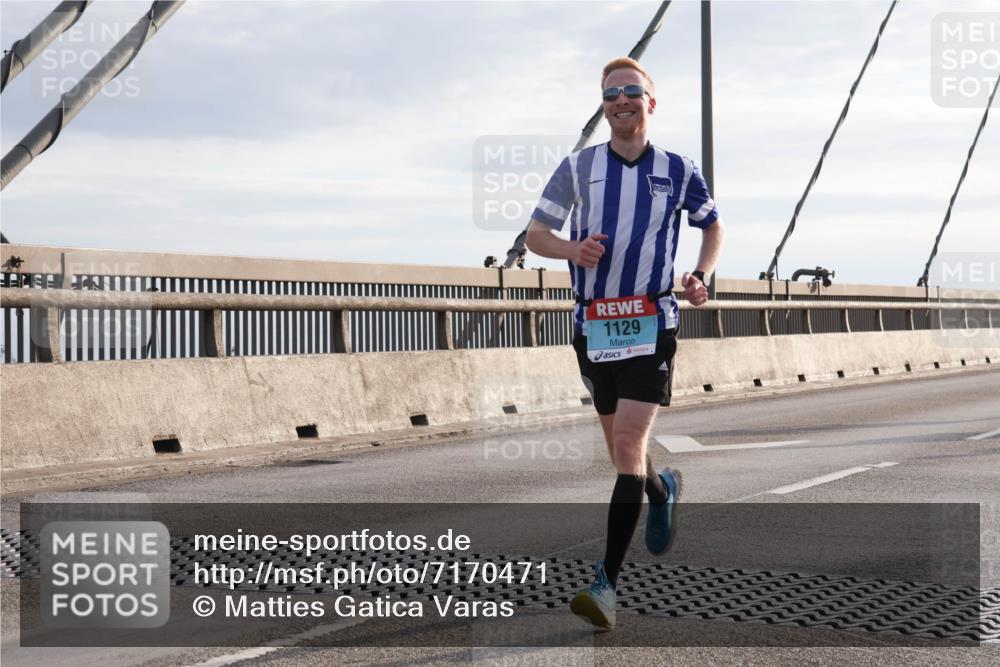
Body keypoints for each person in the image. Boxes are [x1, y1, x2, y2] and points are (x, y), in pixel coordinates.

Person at [525, 56, 725, 630]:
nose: (621, 102)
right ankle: (662, 491)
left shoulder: (678, 168)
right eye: (611, 94)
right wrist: (572, 250)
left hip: (652, 322)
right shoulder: (577, 167)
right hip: (593, 326)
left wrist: (700, 275)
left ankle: (605, 586)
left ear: (650, 103)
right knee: (624, 454)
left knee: (630, 445)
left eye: (632, 93)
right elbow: (537, 234)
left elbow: (712, 223)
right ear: (603, 105)